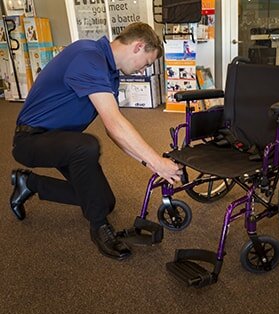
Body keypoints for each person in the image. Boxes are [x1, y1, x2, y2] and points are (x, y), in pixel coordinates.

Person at [10, 22, 182, 261]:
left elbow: (115, 133)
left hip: (63, 141)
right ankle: (99, 229)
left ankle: (29, 183)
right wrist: (156, 160)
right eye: (148, 62)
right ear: (138, 46)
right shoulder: (88, 57)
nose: (145, 69)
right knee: (87, 145)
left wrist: (150, 164)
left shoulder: (107, 71)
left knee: (103, 202)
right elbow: (114, 123)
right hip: (32, 139)